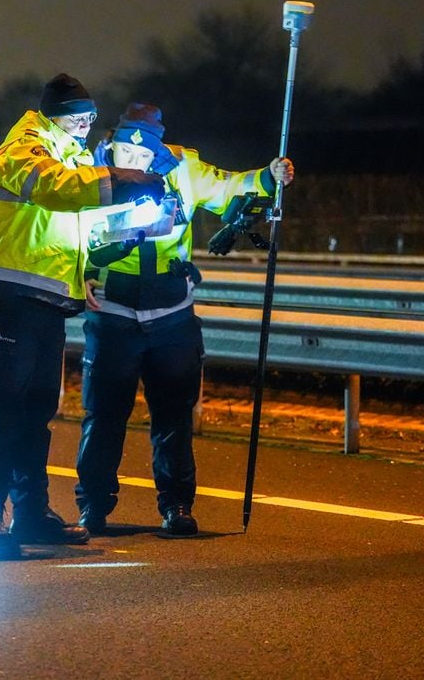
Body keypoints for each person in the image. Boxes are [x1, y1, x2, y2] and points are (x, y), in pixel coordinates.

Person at [74, 103, 294, 538]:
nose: (131, 162)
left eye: (141, 157)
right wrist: (77, 274)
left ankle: (176, 506)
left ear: (156, 152)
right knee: (103, 416)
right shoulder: (87, 171)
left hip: (171, 315)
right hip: (112, 313)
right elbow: (63, 229)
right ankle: (93, 506)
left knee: (174, 418)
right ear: (112, 142)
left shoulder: (183, 168)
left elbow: (232, 187)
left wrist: (270, 176)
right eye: (124, 152)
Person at [0, 74, 165, 559]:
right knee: (4, 410)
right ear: (51, 113)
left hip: (49, 298)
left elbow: (80, 221)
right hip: (12, 293)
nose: (85, 124)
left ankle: (31, 515)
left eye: (91, 116)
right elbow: (53, 189)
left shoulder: (72, 156)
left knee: (36, 412)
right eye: (78, 115)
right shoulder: (24, 147)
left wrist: (130, 229)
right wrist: (119, 180)